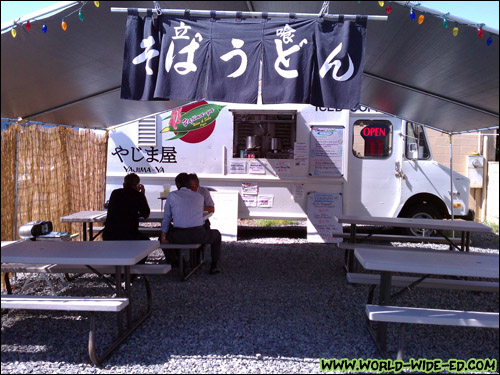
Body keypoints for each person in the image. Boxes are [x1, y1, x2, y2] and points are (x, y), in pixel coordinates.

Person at [161, 173, 222, 275]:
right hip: (198, 235)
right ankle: (214, 265)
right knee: (216, 235)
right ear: (189, 184)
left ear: (177, 185)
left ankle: (179, 264)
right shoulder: (199, 197)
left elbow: (167, 218)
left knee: (162, 239)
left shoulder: (172, 195)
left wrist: (163, 236)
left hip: (178, 236)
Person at [103, 173, 150, 244]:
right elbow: (146, 214)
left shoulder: (115, 193)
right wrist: (142, 195)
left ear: (124, 183)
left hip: (109, 234)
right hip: (129, 235)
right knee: (147, 243)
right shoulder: (138, 196)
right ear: (137, 185)